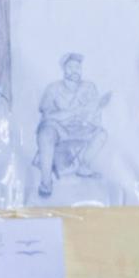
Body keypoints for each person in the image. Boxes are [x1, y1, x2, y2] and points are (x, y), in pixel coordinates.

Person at [28, 48, 121, 201]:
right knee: (45, 133)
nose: (74, 70)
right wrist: (74, 112)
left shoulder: (89, 87)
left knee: (101, 134)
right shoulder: (53, 89)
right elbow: (47, 115)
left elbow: (94, 114)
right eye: (70, 67)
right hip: (58, 129)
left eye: (77, 67)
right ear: (63, 69)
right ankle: (46, 182)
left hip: (81, 128)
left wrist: (95, 108)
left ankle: (83, 166)